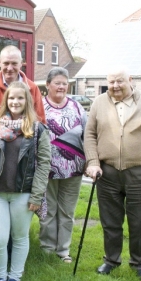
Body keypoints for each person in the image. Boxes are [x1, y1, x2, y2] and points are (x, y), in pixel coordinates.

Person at [84, 67, 141, 281]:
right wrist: (93, 161)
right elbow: (90, 134)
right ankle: (111, 260)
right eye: (111, 82)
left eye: (120, 81)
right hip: (107, 172)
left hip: (140, 172)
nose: (115, 86)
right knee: (110, 220)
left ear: (131, 80)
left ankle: (139, 263)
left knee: (140, 221)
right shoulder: (99, 102)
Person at [0, 81, 51, 281]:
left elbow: (44, 163)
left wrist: (36, 195)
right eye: (11, 98)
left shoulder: (37, 129)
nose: (15, 101)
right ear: (6, 101)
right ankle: (0, 276)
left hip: (24, 193)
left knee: (19, 237)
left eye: (20, 98)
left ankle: (14, 278)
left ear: (27, 100)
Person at [38, 67, 87, 263]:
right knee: (48, 209)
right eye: (57, 83)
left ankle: (63, 250)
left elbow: (88, 134)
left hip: (74, 167)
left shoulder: (76, 107)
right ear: (48, 85)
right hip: (46, 168)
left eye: (64, 83)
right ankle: (47, 248)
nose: (61, 86)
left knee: (67, 211)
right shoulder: (39, 106)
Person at [0, 45, 46, 130]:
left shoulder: (32, 88)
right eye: (6, 63)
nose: (10, 68)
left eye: (14, 63)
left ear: (21, 63)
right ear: (0, 62)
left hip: (25, 141)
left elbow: (40, 121)